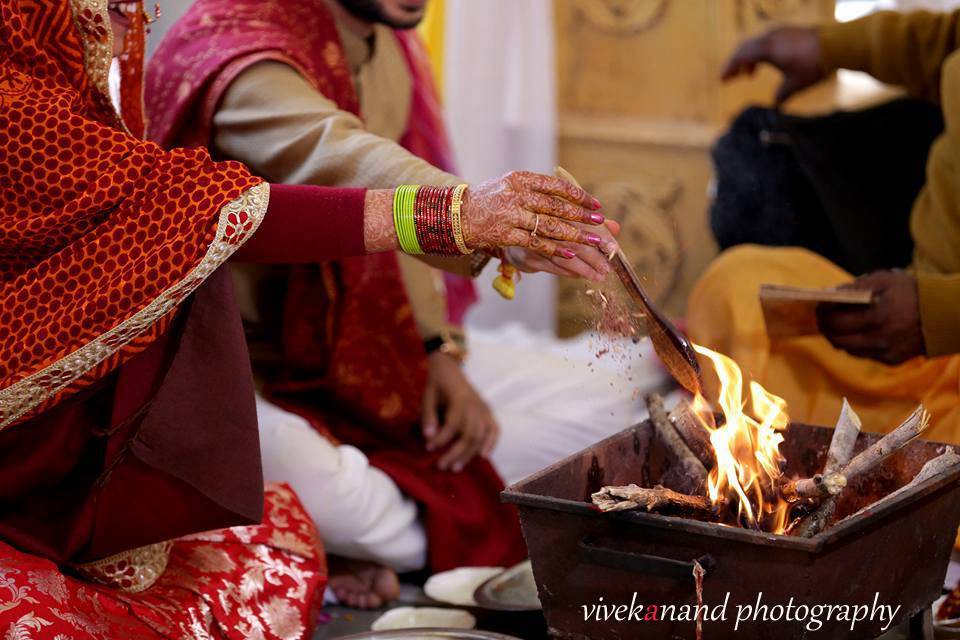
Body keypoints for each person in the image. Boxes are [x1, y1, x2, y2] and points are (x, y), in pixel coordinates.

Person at [0, 0, 607, 634]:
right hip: (234, 370)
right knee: (334, 493)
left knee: (591, 406)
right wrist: (462, 217)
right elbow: (236, 195)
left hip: (359, 345)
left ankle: (434, 510)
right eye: (112, 9)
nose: (134, 20)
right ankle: (413, 527)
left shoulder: (386, 45)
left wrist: (438, 349)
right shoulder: (239, 52)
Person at [687, 10, 960, 442]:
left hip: (947, 337)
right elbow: (947, 40)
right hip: (920, 331)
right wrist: (824, 48)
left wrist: (937, 314)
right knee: (735, 291)